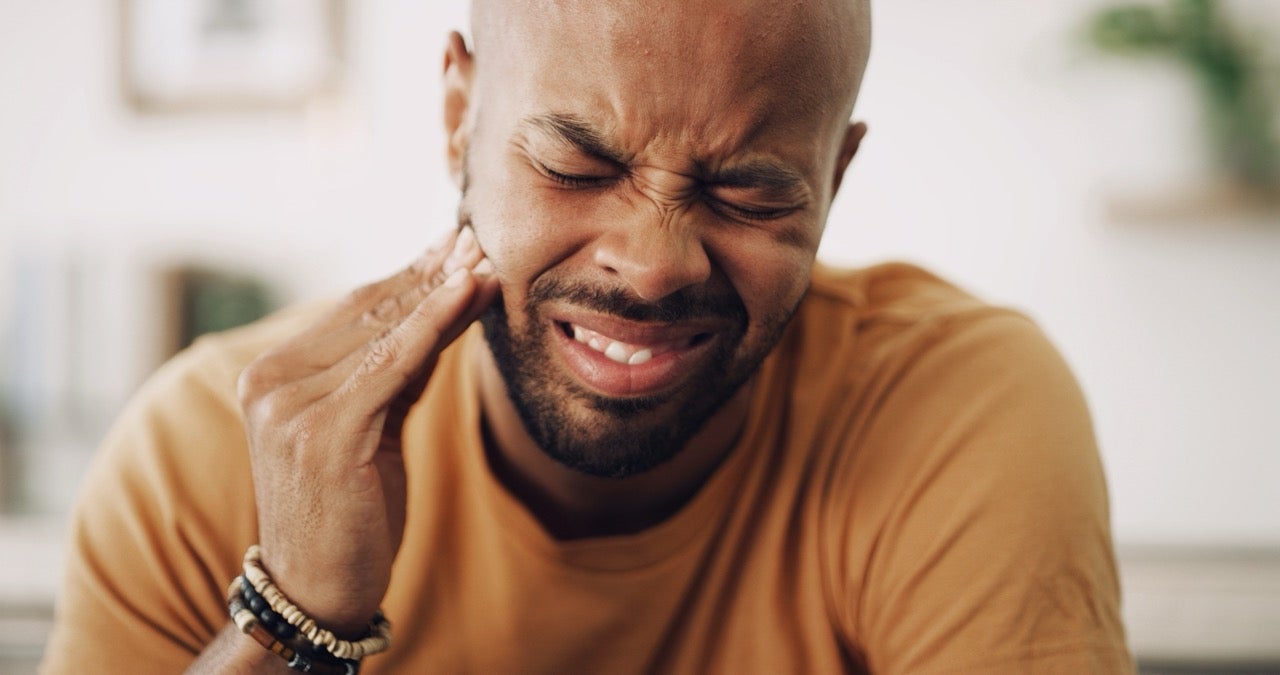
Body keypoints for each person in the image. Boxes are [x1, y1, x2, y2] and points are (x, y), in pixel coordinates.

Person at [42, 0, 1132, 672]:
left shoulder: (948, 403)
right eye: (576, 162)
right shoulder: (204, 447)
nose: (652, 261)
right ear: (459, 117)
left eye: (751, 193)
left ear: (832, 181)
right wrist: (294, 620)